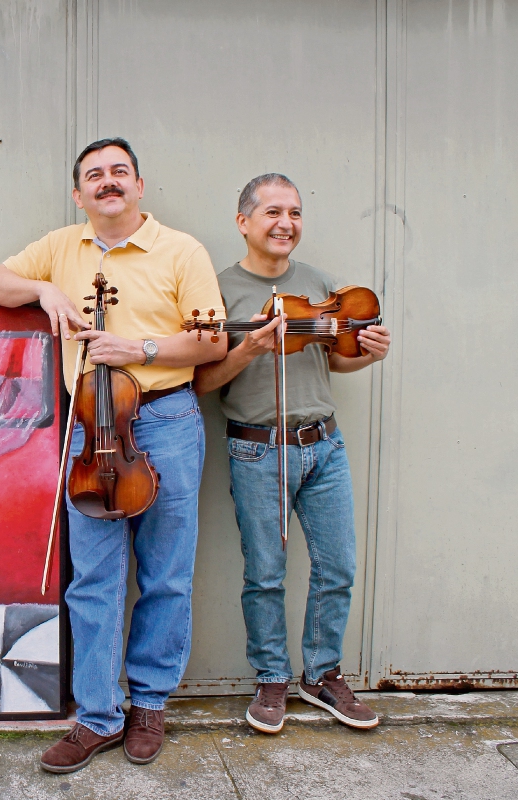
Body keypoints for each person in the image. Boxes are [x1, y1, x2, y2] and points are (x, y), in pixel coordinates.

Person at [0, 138, 227, 773]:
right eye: (95, 175)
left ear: (140, 185)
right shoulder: (62, 246)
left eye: (119, 172)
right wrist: (41, 291)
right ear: (78, 192)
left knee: (165, 571)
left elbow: (213, 342)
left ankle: (148, 704)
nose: (107, 182)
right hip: (89, 424)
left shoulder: (182, 250)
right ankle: (96, 714)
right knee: (92, 575)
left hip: (165, 418)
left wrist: (138, 350)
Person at [194, 173, 391, 735]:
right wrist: (251, 345)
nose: (286, 224)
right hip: (258, 450)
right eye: (274, 212)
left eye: (296, 213)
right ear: (244, 222)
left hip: (324, 443)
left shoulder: (319, 282)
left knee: (339, 568)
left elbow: (338, 357)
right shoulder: (219, 290)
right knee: (266, 574)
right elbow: (204, 379)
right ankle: (273, 677)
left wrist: (368, 354)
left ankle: (322, 673)